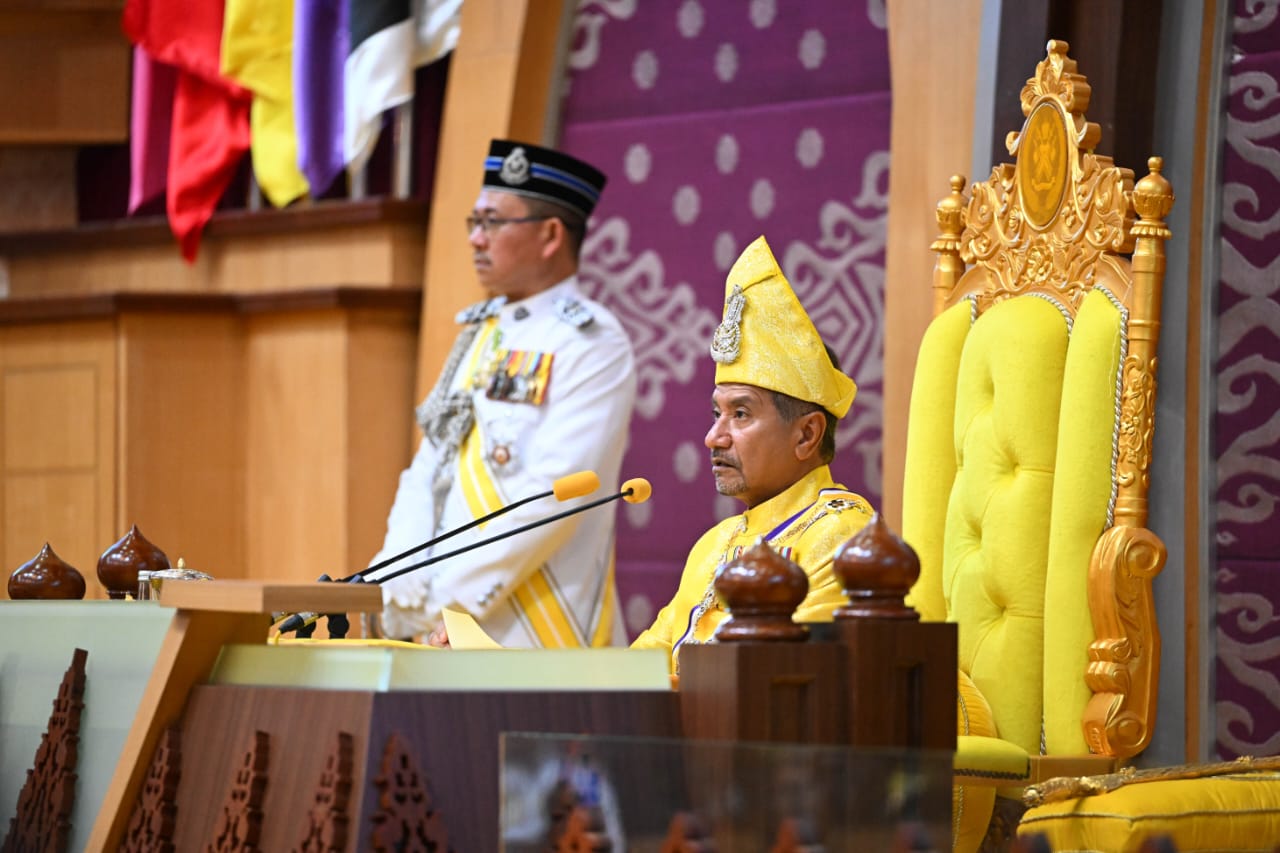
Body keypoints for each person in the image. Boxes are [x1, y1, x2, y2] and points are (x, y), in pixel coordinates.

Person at [366, 139, 637, 648]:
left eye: (492, 223)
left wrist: (443, 605)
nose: (475, 239)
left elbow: (551, 497)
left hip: (529, 632)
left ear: (551, 235)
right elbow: (431, 467)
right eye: (474, 222)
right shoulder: (481, 332)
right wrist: (393, 585)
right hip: (435, 630)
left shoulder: (593, 343)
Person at [631, 235, 874, 671]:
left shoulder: (841, 539)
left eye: (741, 414)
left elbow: (783, 686)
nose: (713, 437)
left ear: (807, 435)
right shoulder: (716, 544)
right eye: (716, 413)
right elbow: (643, 664)